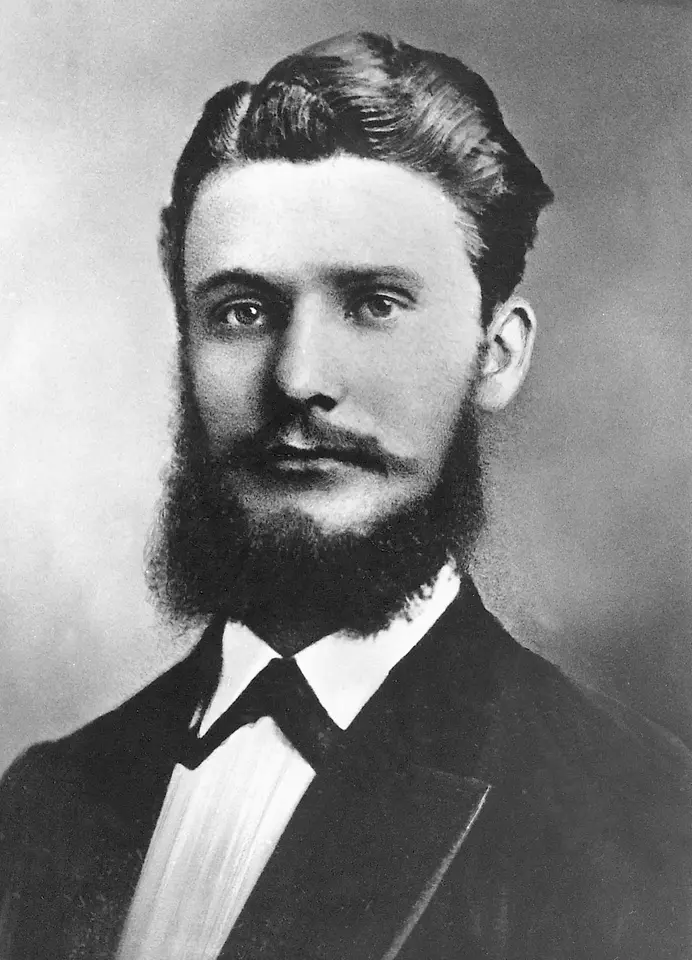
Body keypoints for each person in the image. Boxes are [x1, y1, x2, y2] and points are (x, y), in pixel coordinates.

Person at [0, 30, 689, 960]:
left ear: (497, 353)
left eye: (374, 303)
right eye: (241, 312)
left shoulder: (635, 812)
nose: (298, 378)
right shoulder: (44, 800)